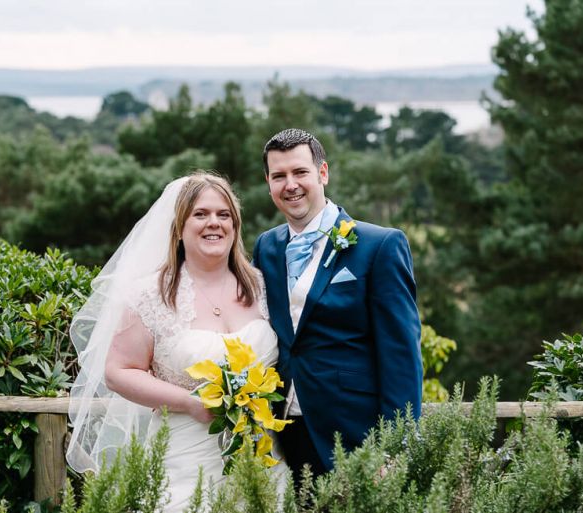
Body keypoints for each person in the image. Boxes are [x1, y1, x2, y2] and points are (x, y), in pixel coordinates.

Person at [67, 172, 286, 512]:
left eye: (223, 214)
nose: (213, 223)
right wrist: (189, 402)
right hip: (185, 460)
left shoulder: (261, 285)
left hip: (262, 455)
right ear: (179, 227)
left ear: (235, 225)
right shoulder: (149, 294)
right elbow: (118, 371)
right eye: (200, 214)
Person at [252, 128, 423, 481]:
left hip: (356, 433)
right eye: (279, 176)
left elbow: (401, 354)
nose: (291, 185)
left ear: (323, 173)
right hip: (283, 433)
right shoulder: (266, 247)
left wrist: (394, 446)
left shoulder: (380, 245)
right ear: (268, 182)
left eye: (300, 172)